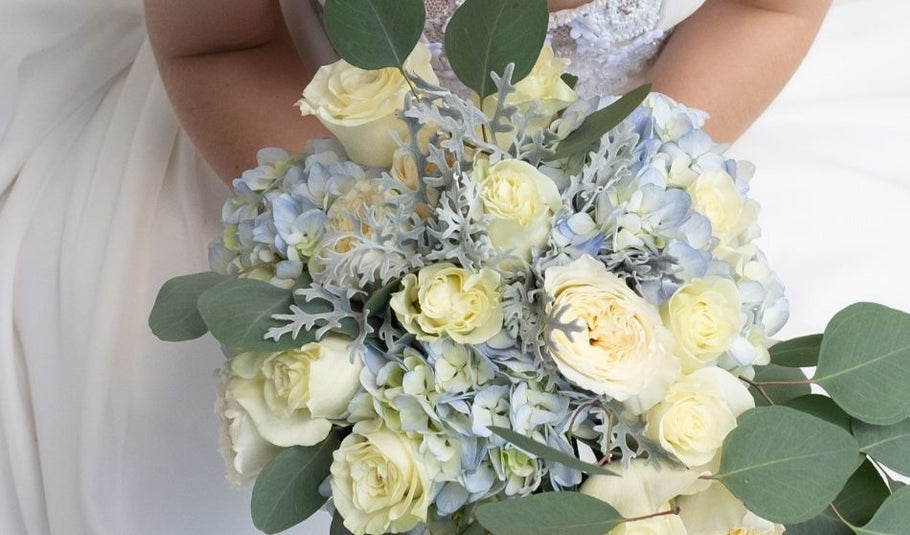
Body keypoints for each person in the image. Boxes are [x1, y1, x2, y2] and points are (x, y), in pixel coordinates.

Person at [0, 0, 832, 533]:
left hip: (657, 151)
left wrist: (634, 173)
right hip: (319, 135)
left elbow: (773, 6)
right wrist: (384, 233)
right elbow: (218, 45)